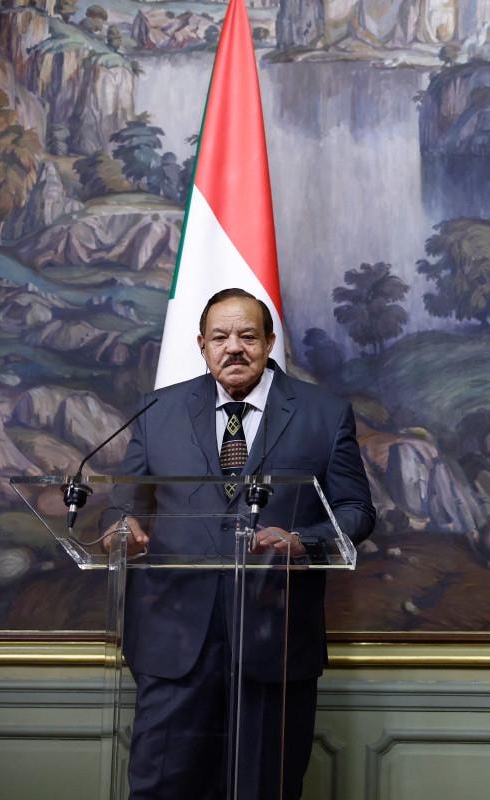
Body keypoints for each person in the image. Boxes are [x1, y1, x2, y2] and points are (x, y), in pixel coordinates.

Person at [108, 287, 376, 799]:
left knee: (264, 788)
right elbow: (125, 504)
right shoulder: (156, 411)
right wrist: (121, 528)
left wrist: (303, 540)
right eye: (220, 337)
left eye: (247, 336)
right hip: (173, 639)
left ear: (270, 342)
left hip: (274, 639)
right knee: (161, 787)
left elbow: (356, 511)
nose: (233, 347)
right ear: (201, 345)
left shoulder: (324, 413)